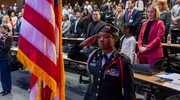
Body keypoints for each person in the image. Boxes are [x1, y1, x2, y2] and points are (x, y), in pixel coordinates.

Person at [68, 23, 134, 100]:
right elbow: (72, 55)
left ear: (115, 40)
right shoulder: (93, 55)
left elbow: (128, 93)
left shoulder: (123, 61)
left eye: (106, 37)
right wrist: (82, 45)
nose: (101, 39)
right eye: (99, 37)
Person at [138, 5, 165, 99]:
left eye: (152, 12)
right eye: (148, 12)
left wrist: (147, 48)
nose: (150, 14)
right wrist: (140, 46)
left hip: (153, 52)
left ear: (156, 12)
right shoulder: (144, 23)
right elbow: (140, 37)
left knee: (153, 78)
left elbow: (158, 39)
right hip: (143, 52)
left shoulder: (160, 23)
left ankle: (154, 96)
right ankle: (145, 97)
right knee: (144, 76)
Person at [0, 24, 13, 96]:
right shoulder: (2, 37)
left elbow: (7, 48)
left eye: (2, 29)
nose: (0, 30)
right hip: (1, 58)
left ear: (6, 29)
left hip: (6, 58)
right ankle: (4, 88)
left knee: (6, 74)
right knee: (2, 75)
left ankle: (8, 89)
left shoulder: (9, 37)